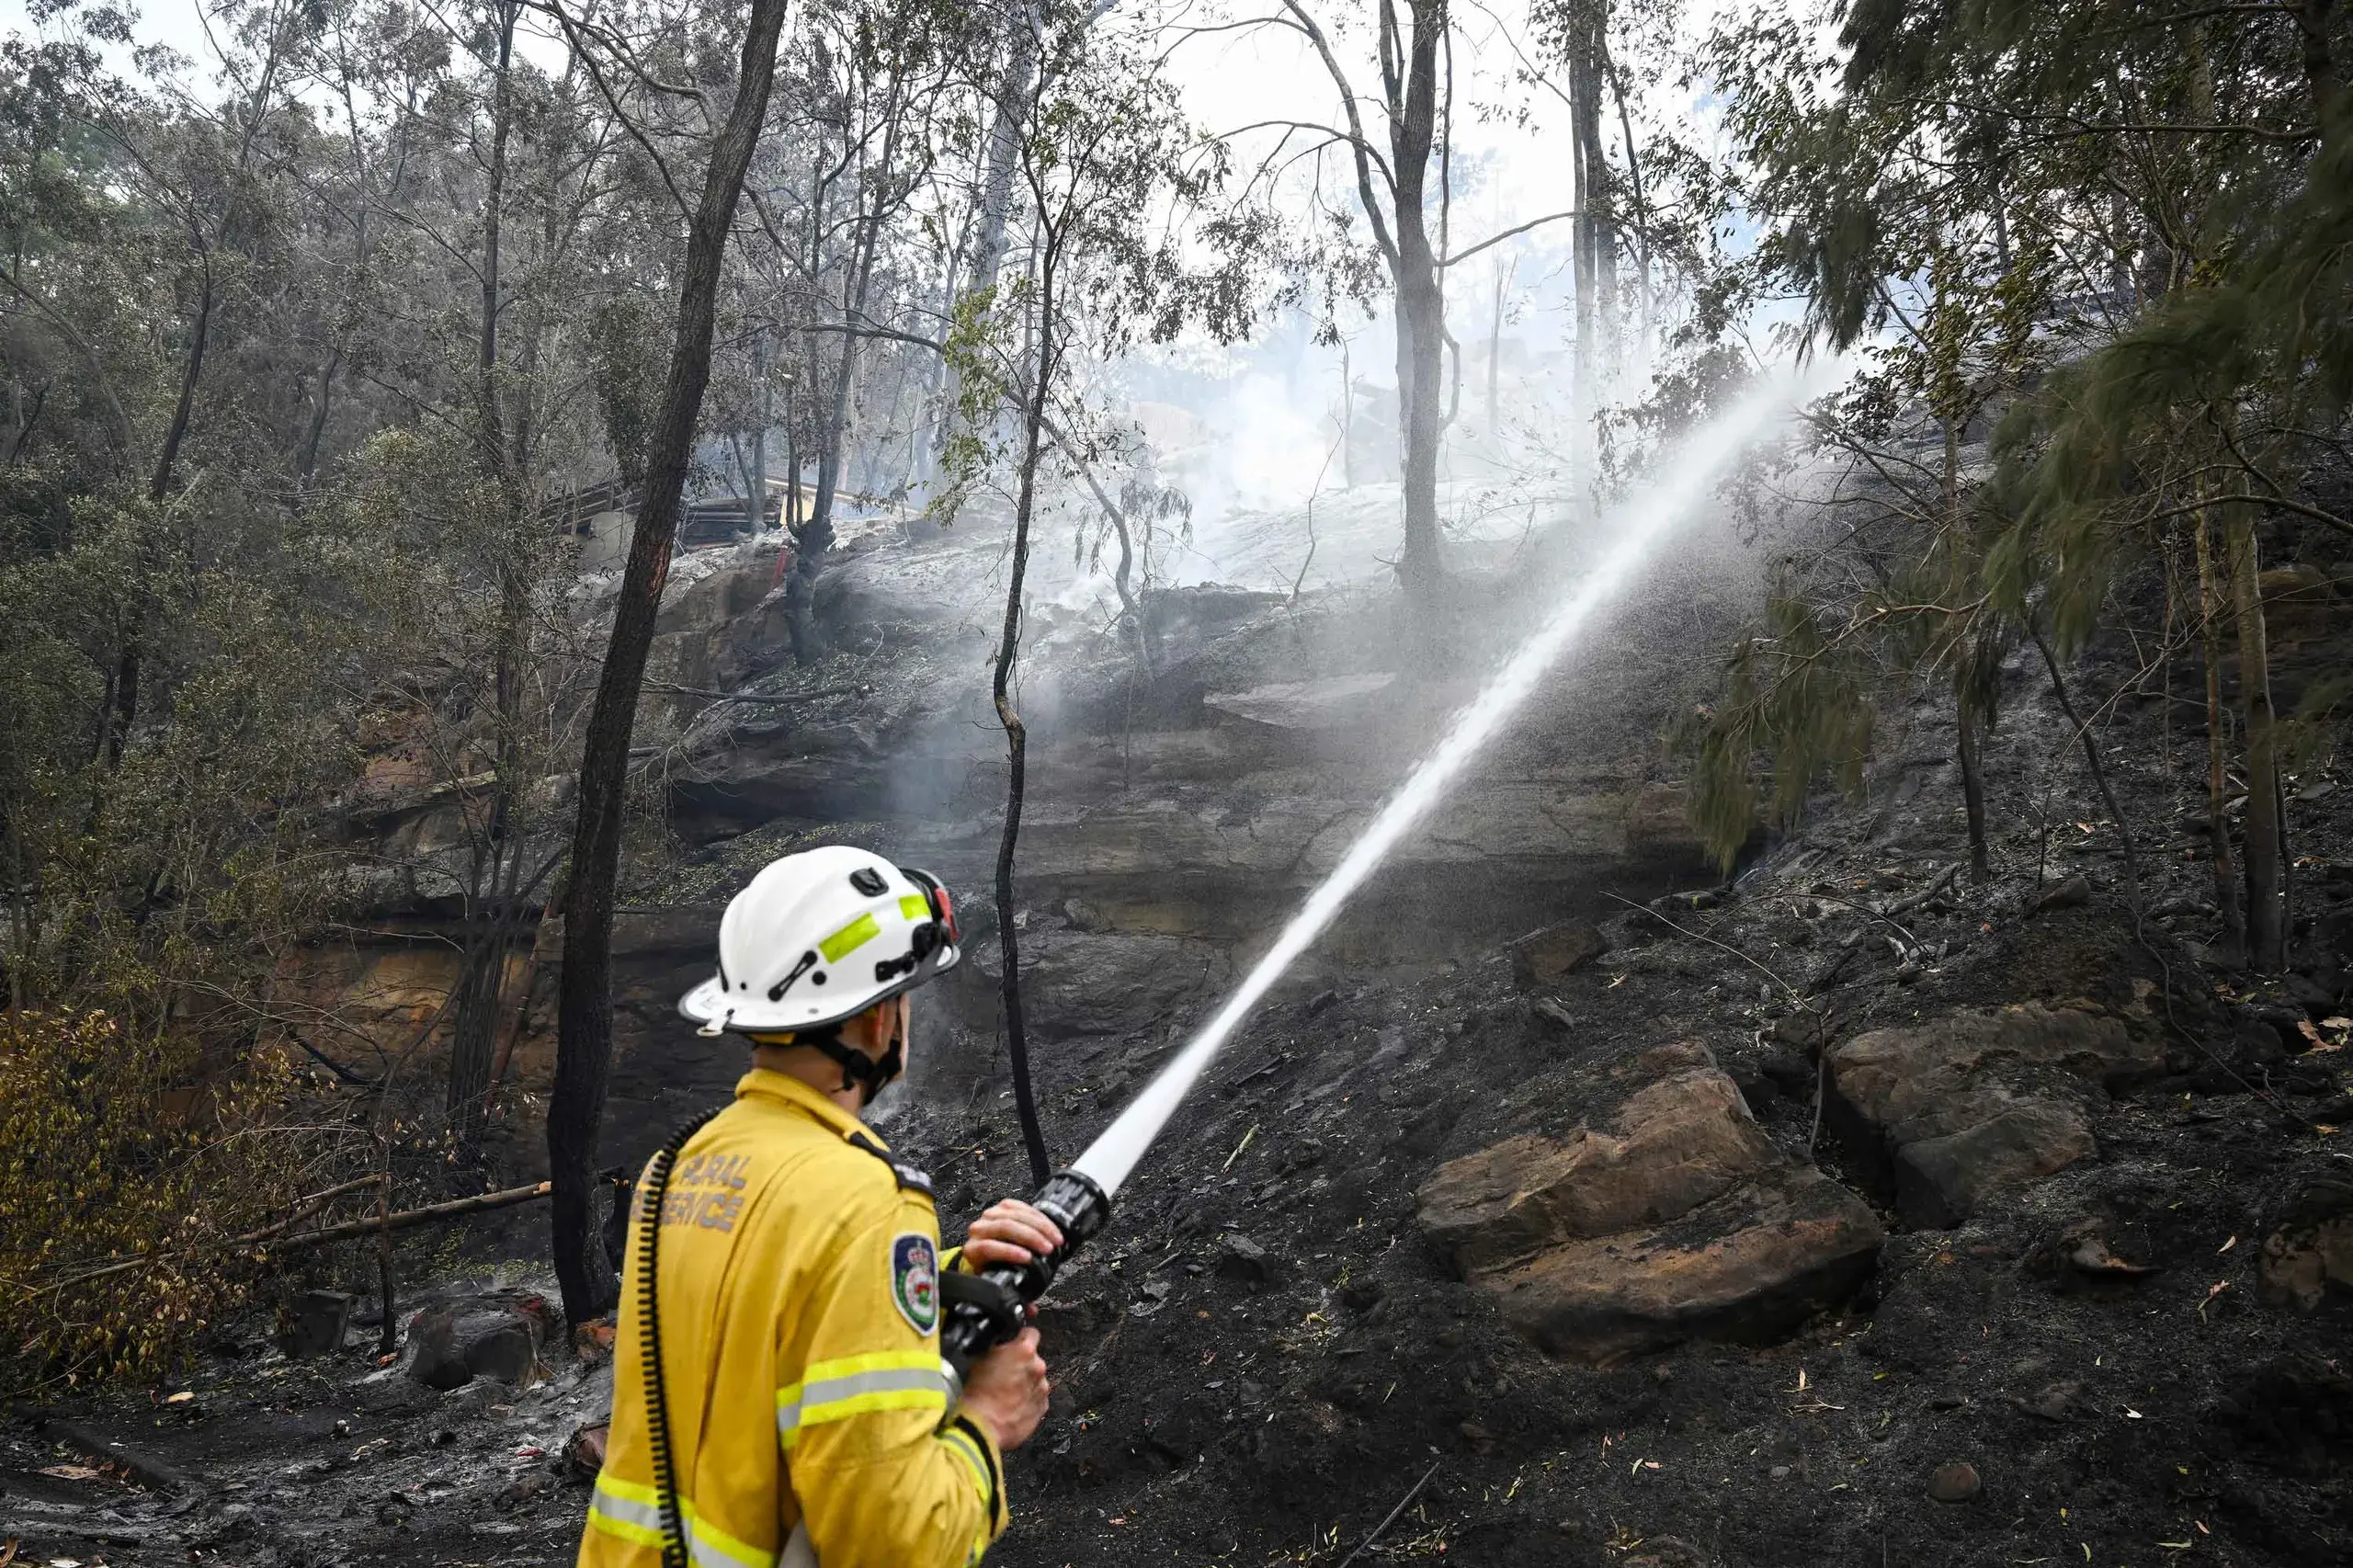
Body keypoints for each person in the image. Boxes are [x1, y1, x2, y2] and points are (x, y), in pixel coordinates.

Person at [579, 846, 1063, 1568]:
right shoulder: (867, 1203)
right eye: (905, 998)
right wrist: (986, 1425)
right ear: (875, 1025)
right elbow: (889, 1544)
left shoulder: (675, 1169)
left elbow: (766, 1323)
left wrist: (952, 1276)